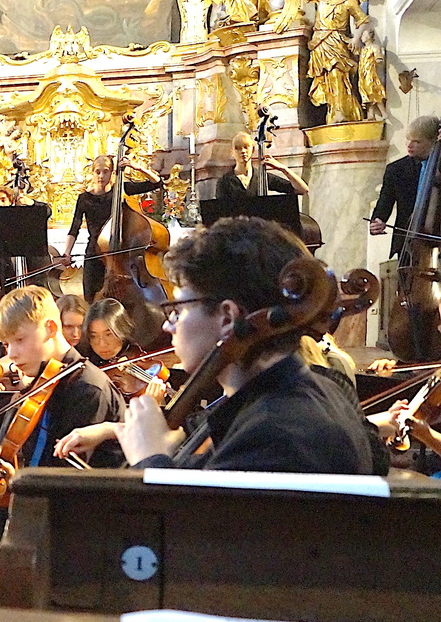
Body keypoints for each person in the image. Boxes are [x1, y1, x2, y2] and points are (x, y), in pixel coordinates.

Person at [64, 216, 381, 473]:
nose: (167, 325)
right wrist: (121, 431)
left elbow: (188, 528)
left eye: (178, 309)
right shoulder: (301, 391)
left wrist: (150, 460)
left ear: (228, 317)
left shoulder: (274, 434)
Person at [0, 285, 125, 604]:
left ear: (51, 328)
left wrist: (14, 474)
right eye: (6, 344)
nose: (11, 355)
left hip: (75, 523)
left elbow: (64, 481)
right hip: (39, 509)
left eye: (19, 340)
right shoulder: (45, 377)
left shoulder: (87, 388)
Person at [60, 154, 163, 300]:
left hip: (121, 253)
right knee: (91, 298)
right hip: (94, 253)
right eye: (98, 172)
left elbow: (156, 183)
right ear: (92, 173)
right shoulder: (84, 198)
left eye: (106, 171)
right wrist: (67, 252)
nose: (101, 176)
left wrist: (136, 167)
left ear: (113, 173)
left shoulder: (121, 190)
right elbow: (74, 228)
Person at [369, 115, 440, 259]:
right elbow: (384, 202)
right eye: (408, 139)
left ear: (433, 142)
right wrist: (378, 220)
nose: (409, 145)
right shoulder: (396, 169)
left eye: (417, 141)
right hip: (406, 246)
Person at [215, 130, 310, 199]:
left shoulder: (262, 177)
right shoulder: (224, 182)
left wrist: (283, 168)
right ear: (232, 152)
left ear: (252, 150)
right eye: (238, 148)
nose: (243, 151)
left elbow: (302, 190)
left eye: (246, 147)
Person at [81, 297, 136, 367]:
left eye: (108, 334)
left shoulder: (137, 358)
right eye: (93, 336)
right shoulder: (85, 363)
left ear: (122, 330)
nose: (102, 344)